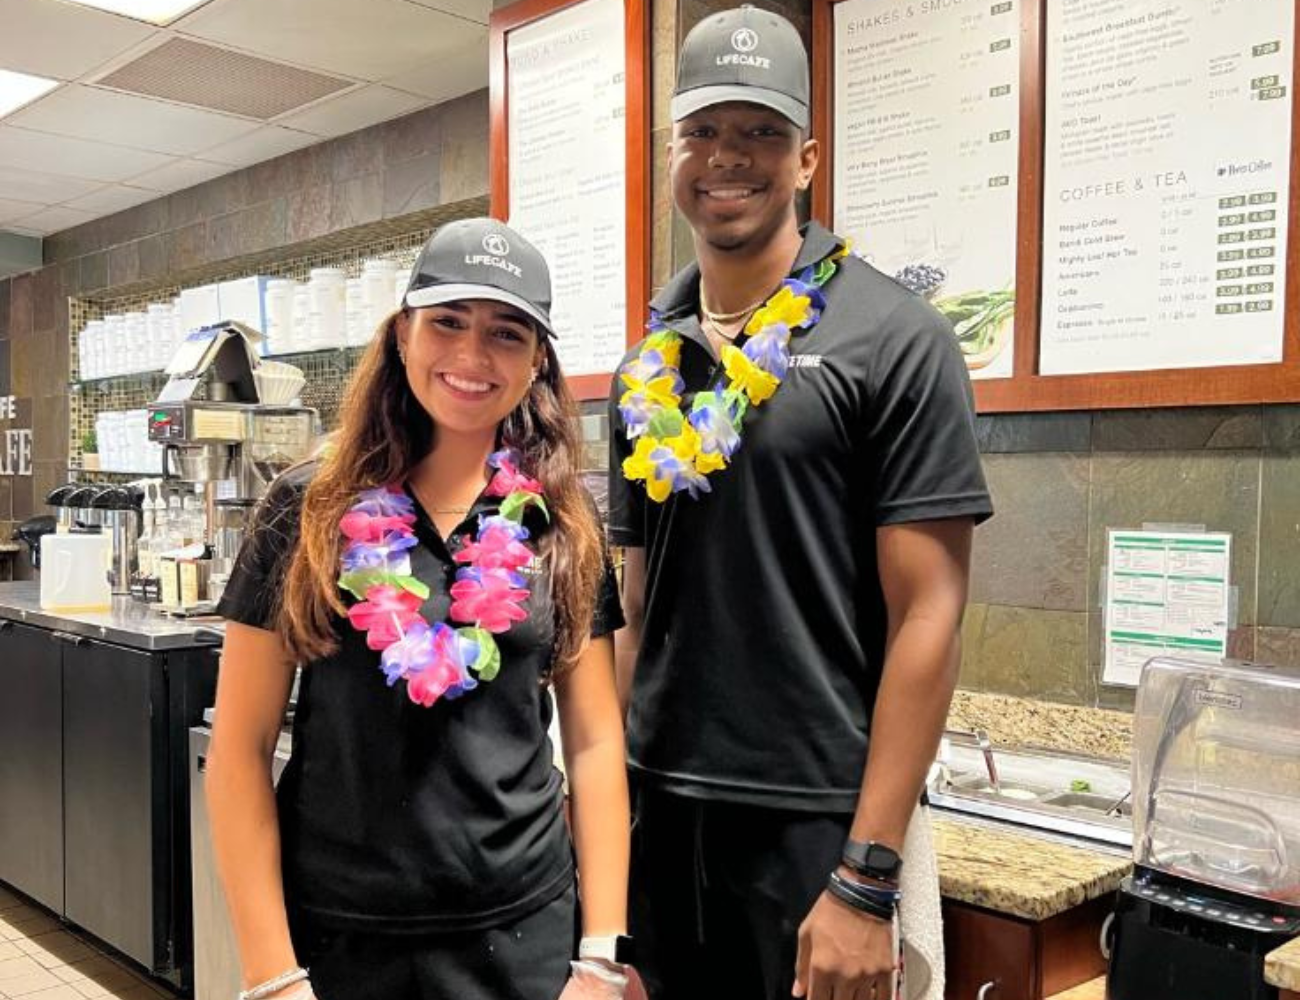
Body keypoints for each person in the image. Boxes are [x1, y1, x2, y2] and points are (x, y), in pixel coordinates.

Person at [608, 7, 993, 1000]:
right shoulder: (648, 363)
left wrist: (865, 876)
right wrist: (605, 819)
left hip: (813, 824)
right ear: (672, 153)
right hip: (658, 818)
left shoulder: (894, 338)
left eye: (759, 133)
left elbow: (930, 612)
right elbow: (633, 608)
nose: (725, 158)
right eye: (701, 132)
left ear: (807, 157)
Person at [209, 218, 637, 1000]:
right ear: (402, 333)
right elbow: (238, 748)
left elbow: (596, 741)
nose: (472, 357)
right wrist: (271, 974)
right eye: (447, 322)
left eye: (507, 334)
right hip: (341, 938)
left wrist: (602, 955)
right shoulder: (304, 510)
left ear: (537, 359)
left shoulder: (560, 523)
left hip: (525, 935)